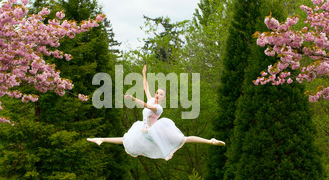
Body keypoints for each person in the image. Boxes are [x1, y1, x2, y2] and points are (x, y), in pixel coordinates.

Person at [87, 65, 225, 161]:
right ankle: (101, 139)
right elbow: (146, 87)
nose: (158, 95)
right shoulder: (152, 99)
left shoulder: (158, 108)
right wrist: (143, 74)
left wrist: (133, 98)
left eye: (161, 94)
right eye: (158, 92)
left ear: (164, 98)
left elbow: (147, 105)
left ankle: (210, 141)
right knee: (126, 139)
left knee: (184, 139)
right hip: (144, 129)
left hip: (155, 131)